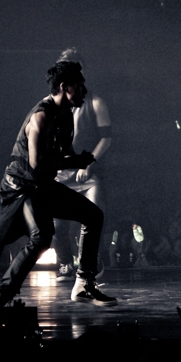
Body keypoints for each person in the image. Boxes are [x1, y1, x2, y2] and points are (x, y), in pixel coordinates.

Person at [0, 61, 116, 320]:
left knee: (93, 215)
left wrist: (78, 159)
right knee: (42, 238)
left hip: (42, 185)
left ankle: (84, 283)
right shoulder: (41, 116)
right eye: (79, 86)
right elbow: (36, 163)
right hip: (23, 186)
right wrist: (73, 162)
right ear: (65, 87)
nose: (84, 91)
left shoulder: (67, 114)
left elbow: (63, 154)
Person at [52, 47, 112, 281]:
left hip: (88, 175)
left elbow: (106, 139)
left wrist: (88, 165)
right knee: (56, 225)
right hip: (60, 174)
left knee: (93, 218)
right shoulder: (52, 104)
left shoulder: (95, 102)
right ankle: (66, 263)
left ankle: (90, 263)